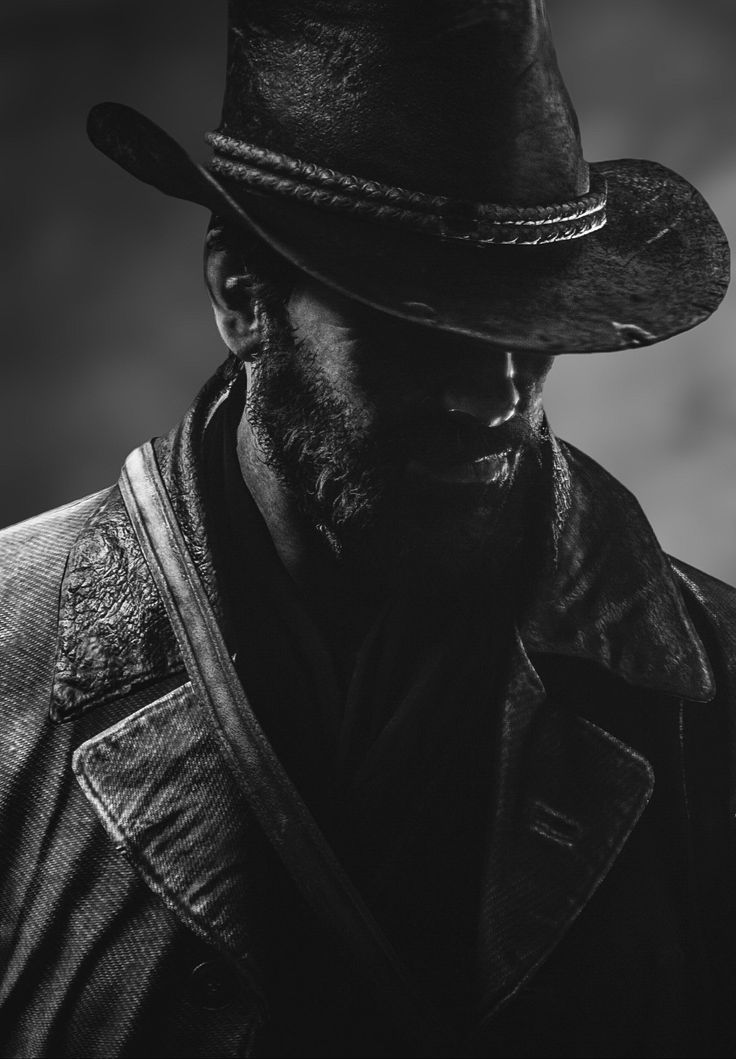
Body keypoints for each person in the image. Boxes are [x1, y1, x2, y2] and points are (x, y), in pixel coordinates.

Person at [0, 2, 733, 1056]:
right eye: (417, 319)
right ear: (241, 295)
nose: (497, 392)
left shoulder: (710, 689)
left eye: (526, 325)